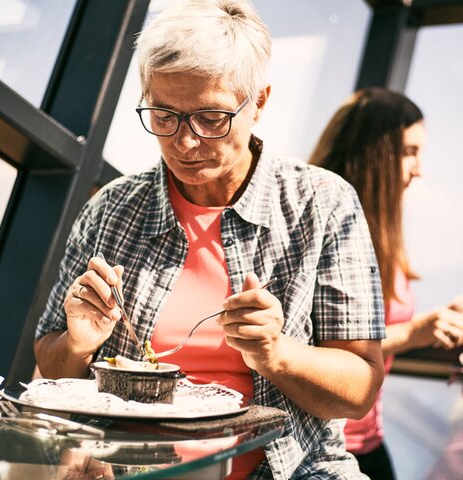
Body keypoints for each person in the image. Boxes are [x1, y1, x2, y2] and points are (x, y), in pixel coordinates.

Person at [34, 1, 386, 478]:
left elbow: (360, 389)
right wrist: (77, 344)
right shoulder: (112, 208)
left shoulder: (321, 204)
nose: (185, 142)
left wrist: (276, 354)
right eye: (164, 115)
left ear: (258, 102)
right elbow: (52, 364)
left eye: (212, 118)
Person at [308, 87, 463, 480]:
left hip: (367, 439)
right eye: (409, 151)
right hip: (323, 446)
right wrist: (414, 331)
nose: (420, 167)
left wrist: (435, 322)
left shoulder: (381, 231)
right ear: (375, 151)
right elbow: (315, 346)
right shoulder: (322, 230)